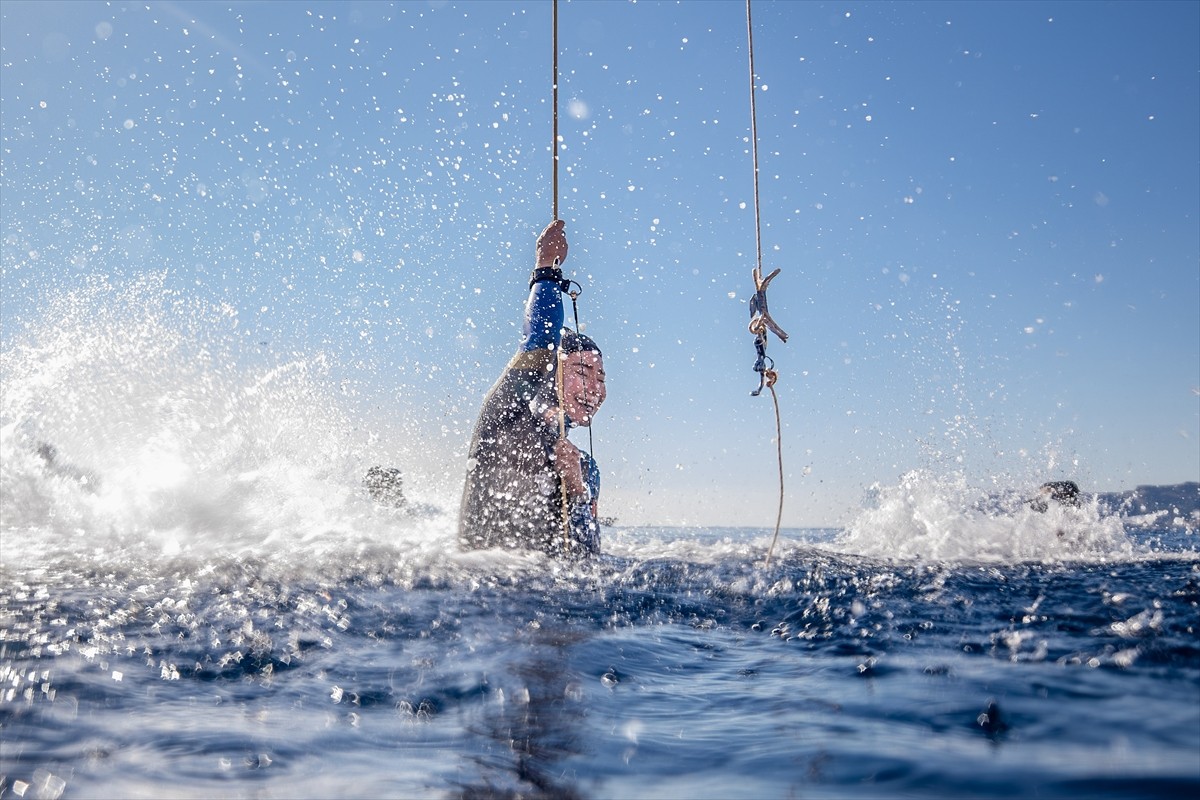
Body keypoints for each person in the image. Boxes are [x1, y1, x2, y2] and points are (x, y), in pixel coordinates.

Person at [458, 220, 607, 557]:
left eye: (601, 379)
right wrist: (545, 271)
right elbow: (539, 340)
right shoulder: (507, 414)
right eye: (583, 371)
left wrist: (578, 489)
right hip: (475, 593)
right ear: (553, 371)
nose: (594, 389)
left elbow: (587, 556)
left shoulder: (586, 468)